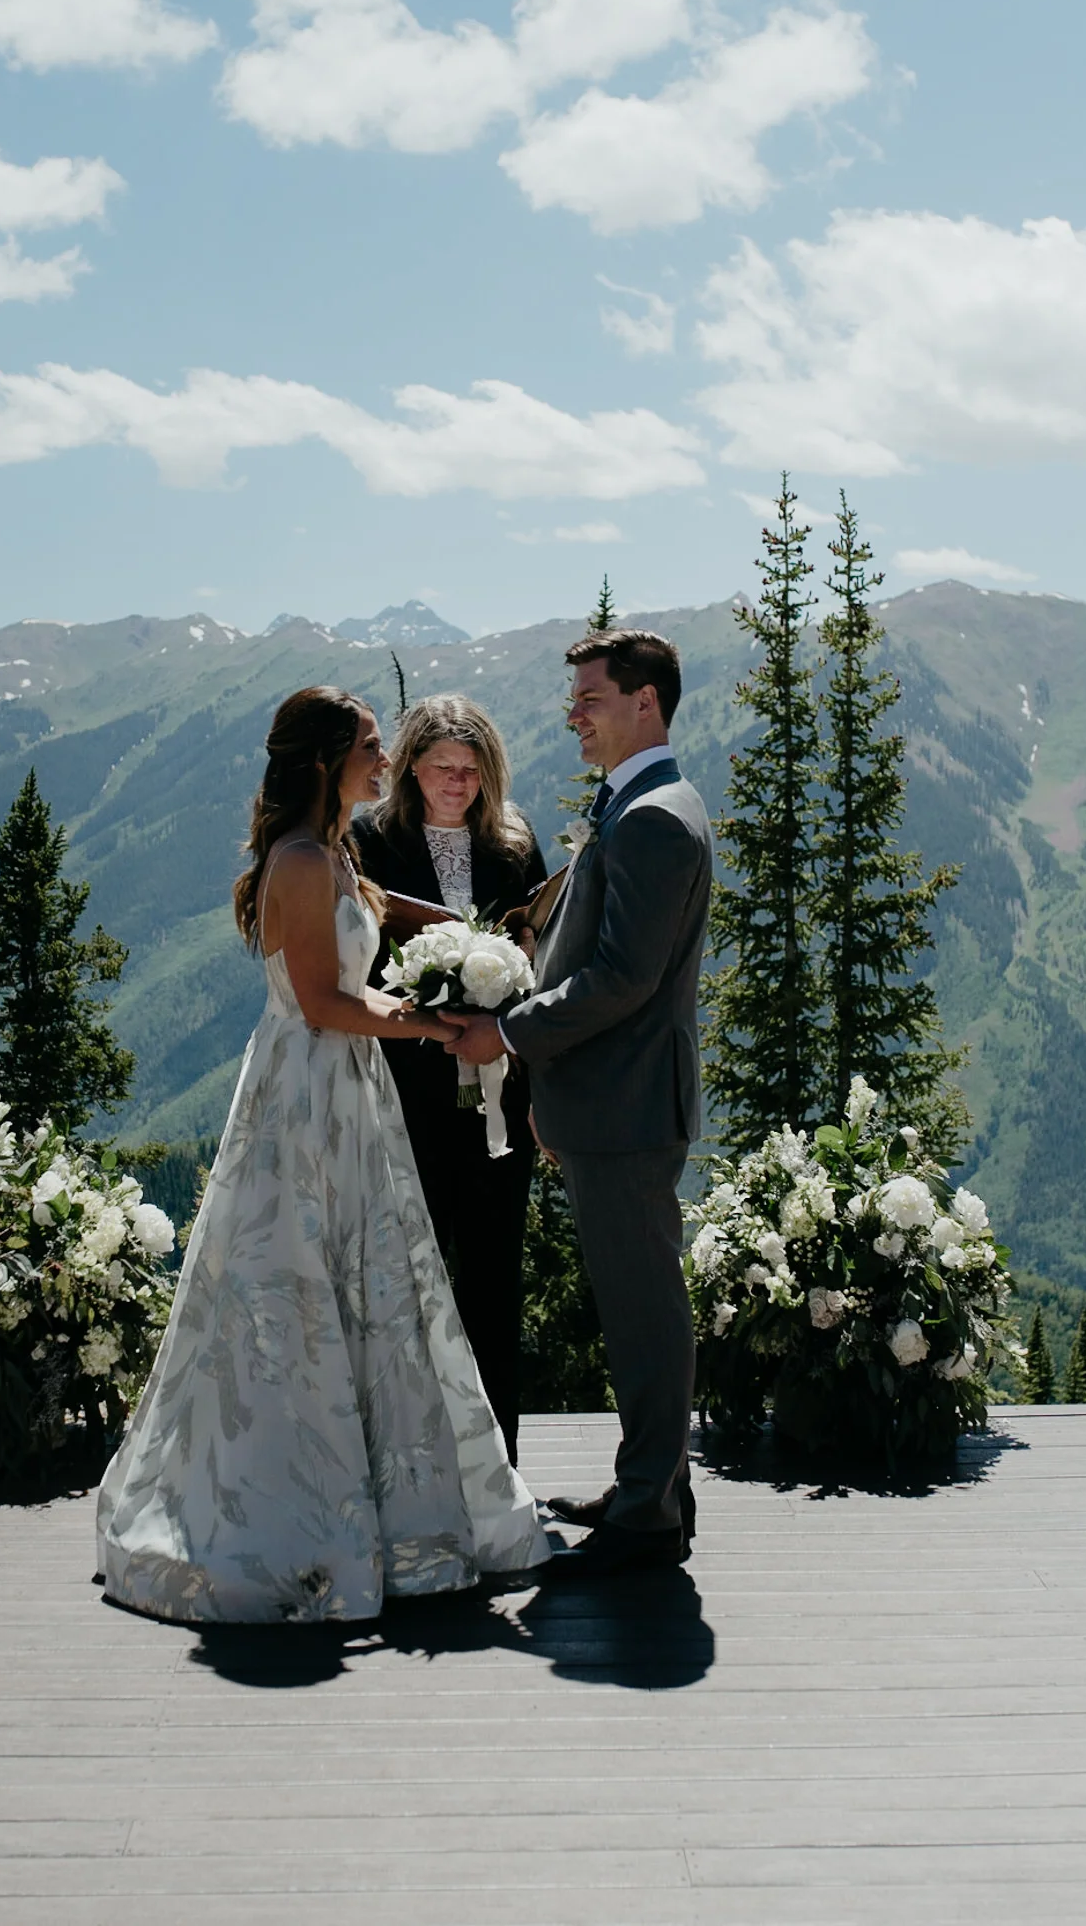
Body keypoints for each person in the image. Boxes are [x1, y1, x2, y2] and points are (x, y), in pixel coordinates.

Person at [95, 686, 547, 1622]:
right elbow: (319, 1006)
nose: (384, 763)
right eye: (372, 749)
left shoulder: (334, 855)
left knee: (364, 1282)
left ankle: (370, 1493)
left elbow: (359, 995)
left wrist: (434, 1009)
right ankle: (281, 1498)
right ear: (323, 762)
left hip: (350, 1086)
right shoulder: (299, 862)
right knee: (294, 1282)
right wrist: (428, 1026)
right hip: (303, 1090)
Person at [452, 630, 712, 1582]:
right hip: (609, 1101)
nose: (574, 714)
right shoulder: (638, 804)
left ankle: (648, 1505)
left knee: (644, 1309)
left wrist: (509, 1036)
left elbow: (618, 979)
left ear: (645, 702)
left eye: (590, 697)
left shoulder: (651, 818)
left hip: (630, 1106)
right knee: (635, 1303)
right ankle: (652, 1486)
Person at [352, 696, 547, 1464]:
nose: (457, 783)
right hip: (408, 1086)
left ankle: (500, 1459)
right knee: (413, 1272)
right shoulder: (371, 841)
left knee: (495, 1277)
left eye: (471, 770)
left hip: (503, 1086)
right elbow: (359, 957)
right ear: (411, 770)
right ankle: (416, 1455)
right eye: (441, 768)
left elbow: (534, 946)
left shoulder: (513, 842)